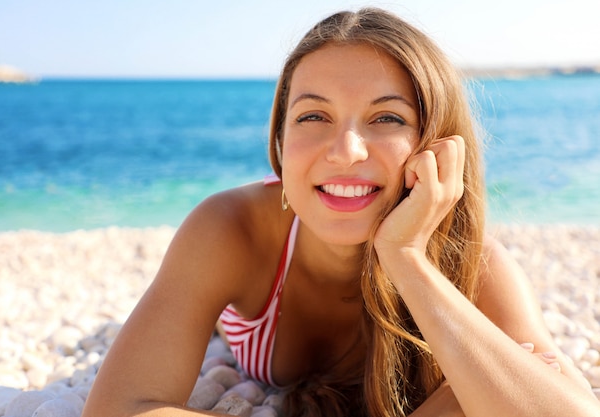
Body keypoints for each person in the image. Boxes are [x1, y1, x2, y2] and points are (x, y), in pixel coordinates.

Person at [81, 7, 600, 417]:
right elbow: (119, 409)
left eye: (387, 117)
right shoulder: (232, 229)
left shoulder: (472, 265)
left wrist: (406, 256)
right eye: (313, 115)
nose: (346, 149)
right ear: (280, 144)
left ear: (439, 147)